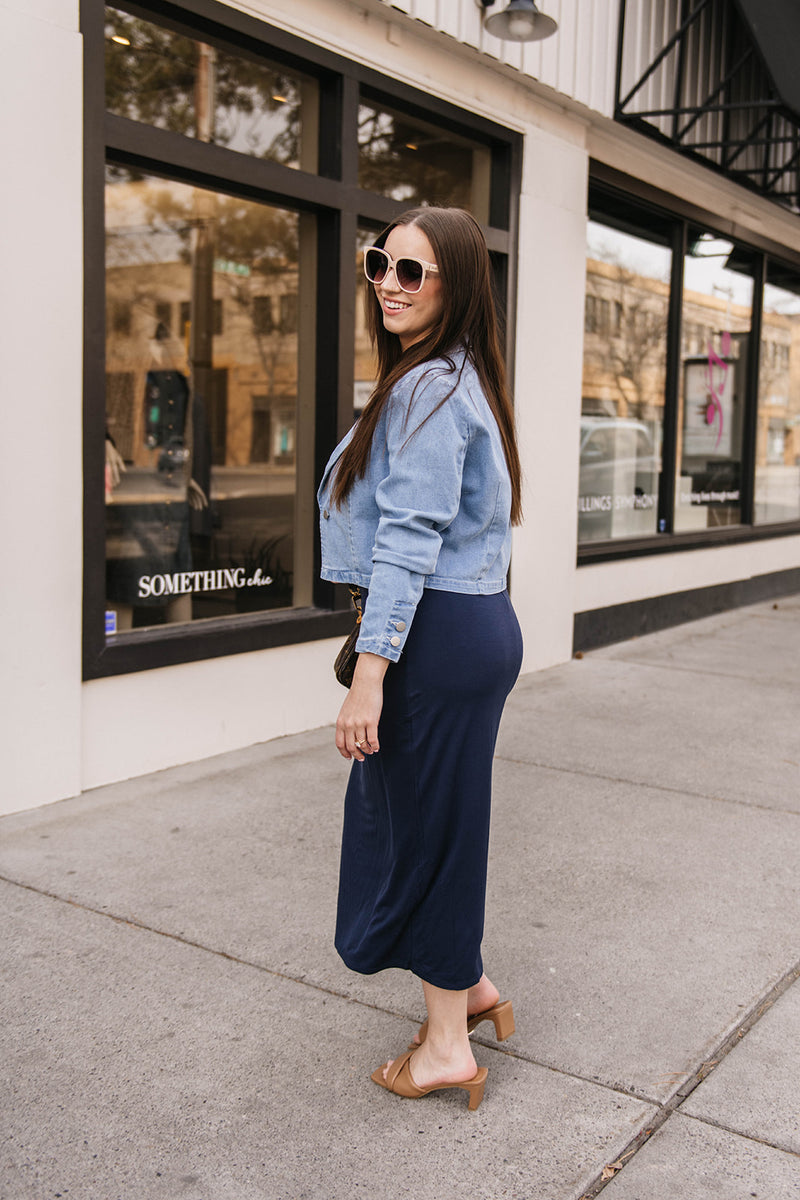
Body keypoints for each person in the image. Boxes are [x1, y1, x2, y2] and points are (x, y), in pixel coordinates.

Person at [317, 206, 523, 1111]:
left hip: (433, 636)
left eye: (414, 272)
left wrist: (371, 670)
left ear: (459, 284)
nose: (389, 285)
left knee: (425, 836)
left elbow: (408, 540)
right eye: (380, 264)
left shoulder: (427, 389)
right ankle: (470, 992)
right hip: (466, 627)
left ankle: (446, 1050)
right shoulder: (456, 378)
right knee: (432, 821)